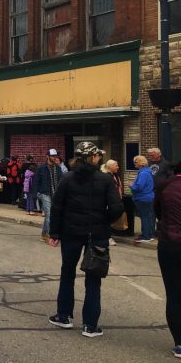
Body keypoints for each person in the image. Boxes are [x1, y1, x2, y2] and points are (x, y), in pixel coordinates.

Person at [48, 142, 123, 338]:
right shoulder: (105, 180)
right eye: (98, 155)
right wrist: (104, 221)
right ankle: (90, 325)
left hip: (70, 231)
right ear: (94, 157)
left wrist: (54, 233)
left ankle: (64, 315)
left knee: (67, 272)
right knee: (94, 278)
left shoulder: (68, 178)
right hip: (96, 233)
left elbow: (57, 207)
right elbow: (116, 208)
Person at [154, 162, 181, 358]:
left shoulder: (164, 185)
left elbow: (158, 212)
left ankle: (180, 342)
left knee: (174, 293)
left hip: (169, 244)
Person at [35, 149, 64, 242]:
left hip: (55, 193)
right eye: (52, 156)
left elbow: (62, 181)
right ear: (47, 156)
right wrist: (37, 193)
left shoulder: (58, 168)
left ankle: (44, 234)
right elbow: (36, 181)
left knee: (50, 215)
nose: (54, 157)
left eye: (55, 156)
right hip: (45, 193)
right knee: (49, 215)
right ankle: (48, 235)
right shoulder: (41, 168)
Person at [131, 155, 156, 244]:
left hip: (142, 198)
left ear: (140, 163)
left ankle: (146, 236)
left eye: (135, 162)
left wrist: (132, 185)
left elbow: (139, 187)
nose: (135, 164)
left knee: (145, 217)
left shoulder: (143, 173)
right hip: (148, 197)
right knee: (148, 217)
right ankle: (149, 235)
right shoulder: (147, 172)